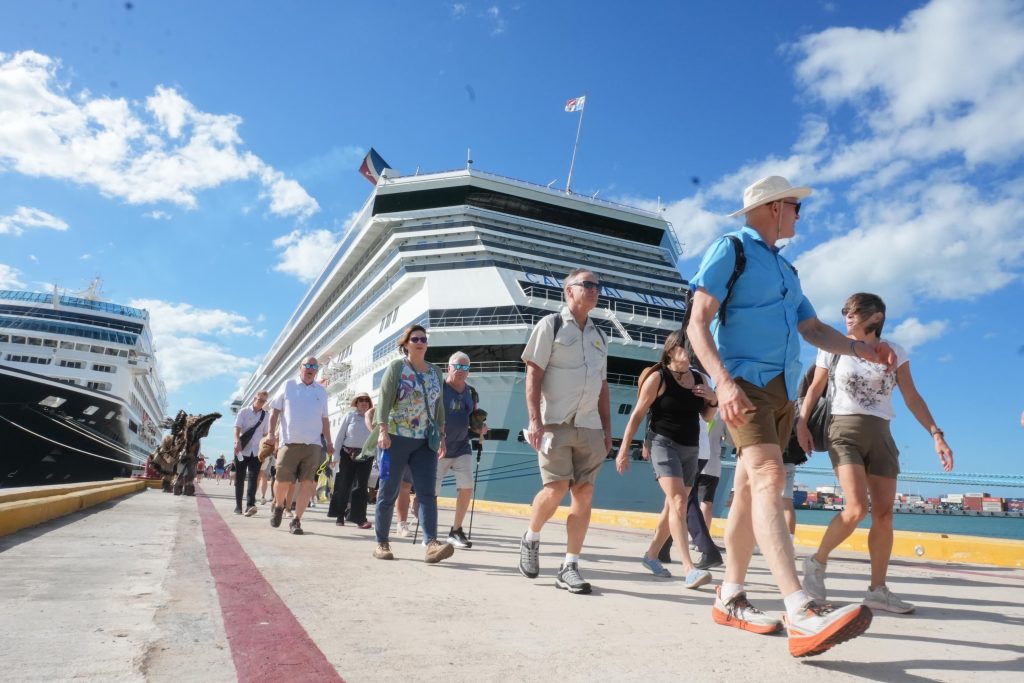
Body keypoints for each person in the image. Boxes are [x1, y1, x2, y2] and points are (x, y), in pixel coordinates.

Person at [686, 176, 890, 657]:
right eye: (797, 206)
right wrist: (724, 382)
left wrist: (860, 349)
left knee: (744, 492)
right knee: (768, 476)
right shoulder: (732, 248)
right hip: (745, 381)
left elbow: (813, 328)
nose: (800, 214)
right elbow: (698, 322)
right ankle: (800, 609)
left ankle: (730, 596)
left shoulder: (786, 269)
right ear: (775, 207)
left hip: (782, 390)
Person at [797, 293, 954, 614]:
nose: (847, 317)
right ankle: (816, 562)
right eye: (845, 311)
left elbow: (912, 397)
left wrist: (936, 435)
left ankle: (878, 590)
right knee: (856, 508)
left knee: (884, 515)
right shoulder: (833, 347)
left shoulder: (895, 351)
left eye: (854, 312)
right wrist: (801, 423)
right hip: (843, 431)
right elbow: (814, 389)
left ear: (876, 317)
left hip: (881, 434)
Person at [518, 268, 612, 594]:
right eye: (588, 284)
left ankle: (569, 565)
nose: (595, 289)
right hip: (555, 422)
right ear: (569, 290)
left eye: (598, 285)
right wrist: (534, 420)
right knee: (556, 489)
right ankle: (531, 537)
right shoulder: (551, 325)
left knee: (584, 493)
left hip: (590, 426)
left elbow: (603, 386)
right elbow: (533, 373)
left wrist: (607, 429)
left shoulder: (600, 336)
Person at [616, 331, 716, 589]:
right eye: (685, 347)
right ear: (671, 351)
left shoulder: (699, 378)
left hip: (691, 448)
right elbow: (638, 414)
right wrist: (624, 448)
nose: (691, 351)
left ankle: (651, 556)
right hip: (663, 444)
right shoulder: (658, 377)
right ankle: (689, 569)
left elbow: (707, 417)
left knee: (672, 507)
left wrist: (712, 398)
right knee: (679, 501)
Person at [367, 325, 454, 563]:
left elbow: (438, 406)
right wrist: (382, 430)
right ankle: (382, 543)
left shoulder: (435, 371)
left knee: (427, 493)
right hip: (395, 438)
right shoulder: (397, 367)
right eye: (415, 339)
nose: (420, 342)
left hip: (425, 441)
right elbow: (384, 399)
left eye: (424, 339)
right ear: (406, 344)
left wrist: (442, 435)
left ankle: (431, 544)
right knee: (388, 491)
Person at [267, 356, 334, 536]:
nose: (311, 368)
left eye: (314, 366)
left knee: (307, 483)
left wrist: (329, 442)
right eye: (308, 365)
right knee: (281, 480)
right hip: (289, 442)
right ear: (300, 367)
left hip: (313, 444)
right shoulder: (288, 385)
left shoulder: (321, 391)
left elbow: (325, 420)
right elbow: (274, 411)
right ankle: (279, 505)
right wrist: (271, 433)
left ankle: (296, 520)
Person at [437, 351, 487, 549]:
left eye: (465, 367)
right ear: (449, 367)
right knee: (431, 491)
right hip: (438, 448)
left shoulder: (471, 392)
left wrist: (480, 427)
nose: (460, 370)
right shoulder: (439, 388)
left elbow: (473, 418)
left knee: (466, 487)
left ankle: (456, 530)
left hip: (462, 447)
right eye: (457, 366)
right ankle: (429, 531)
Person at [329, 392, 374, 529]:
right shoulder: (349, 415)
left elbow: (376, 437)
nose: (364, 402)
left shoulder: (374, 417)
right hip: (347, 454)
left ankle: (359, 519)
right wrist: (335, 456)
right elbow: (339, 436)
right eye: (361, 400)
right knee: (343, 485)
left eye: (366, 400)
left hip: (366, 456)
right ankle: (340, 515)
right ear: (356, 403)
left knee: (361, 487)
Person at [233, 390, 270, 516]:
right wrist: (237, 441)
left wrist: (265, 449)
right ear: (254, 399)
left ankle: (250, 505)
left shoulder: (266, 415)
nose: (261, 403)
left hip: (257, 452)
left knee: (254, 479)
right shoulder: (244, 411)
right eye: (259, 400)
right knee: (239, 478)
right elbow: (237, 428)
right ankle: (238, 506)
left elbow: (265, 433)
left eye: (264, 401)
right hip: (242, 449)